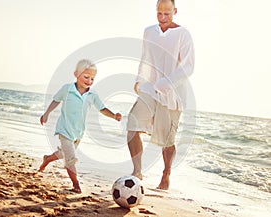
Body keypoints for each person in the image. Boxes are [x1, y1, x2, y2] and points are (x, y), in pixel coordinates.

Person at [127, 0, 194, 190]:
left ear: (175, 11)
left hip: (173, 93)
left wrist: (164, 84)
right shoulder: (149, 31)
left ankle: (166, 173)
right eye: (159, 13)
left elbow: (188, 67)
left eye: (167, 13)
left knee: (167, 141)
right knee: (132, 124)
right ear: (156, 11)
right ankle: (137, 171)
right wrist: (140, 80)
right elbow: (146, 58)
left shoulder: (183, 34)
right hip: (150, 88)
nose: (163, 18)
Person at [39, 59, 122, 193]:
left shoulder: (92, 94)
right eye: (86, 77)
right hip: (64, 129)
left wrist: (113, 116)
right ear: (76, 74)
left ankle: (48, 159)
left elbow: (102, 108)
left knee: (63, 154)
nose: (89, 81)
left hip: (78, 132)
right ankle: (76, 184)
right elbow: (56, 100)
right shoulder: (67, 89)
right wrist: (46, 113)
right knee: (70, 159)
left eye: (92, 78)